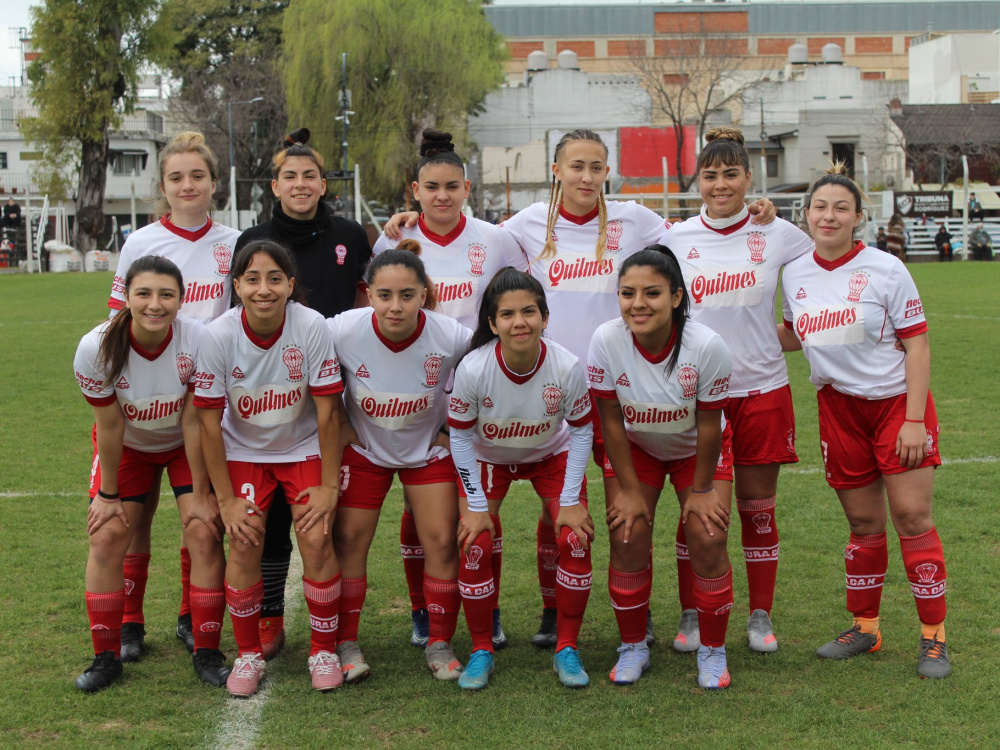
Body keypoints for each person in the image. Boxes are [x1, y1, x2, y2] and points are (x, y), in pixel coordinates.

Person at [385, 129, 775, 647]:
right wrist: (411, 218)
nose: (586, 177)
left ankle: (660, 614)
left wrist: (753, 211)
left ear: (607, 172)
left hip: (623, 390)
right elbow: (459, 232)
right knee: (557, 503)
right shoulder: (522, 226)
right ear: (557, 171)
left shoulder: (636, 220)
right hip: (546, 388)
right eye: (576, 166)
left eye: (596, 167)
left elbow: (693, 233)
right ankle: (546, 613)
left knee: (625, 508)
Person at [778, 164, 950, 679]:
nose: (829, 216)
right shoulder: (795, 273)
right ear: (806, 214)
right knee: (863, 525)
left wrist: (914, 420)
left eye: (841, 208)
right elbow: (794, 335)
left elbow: (917, 344)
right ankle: (866, 628)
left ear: (858, 217)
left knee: (912, 518)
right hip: (839, 408)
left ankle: (934, 637)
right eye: (820, 207)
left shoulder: (886, 268)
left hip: (896, 404)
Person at [372, 129, 527, 652]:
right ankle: (421, 610)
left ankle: (490, 608)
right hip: (413, 391)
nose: (442, 196)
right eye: (432, 187)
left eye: (452, 187)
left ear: (467, 189)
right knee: (419, 508)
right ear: (415, 190)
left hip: (479, 388)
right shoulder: (394, 240)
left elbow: (516, 299)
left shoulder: (496, 239)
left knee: (480, 508)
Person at [662, 127, 813, 656]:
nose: (721, 184)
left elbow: (825, 265)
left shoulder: (779, 233)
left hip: (763, 389)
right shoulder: (675, 238)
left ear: (750, 178)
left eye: (731, 174)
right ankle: (692, 613)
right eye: (710, 175)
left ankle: (759, 615)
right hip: (696, 395)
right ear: (698, 181)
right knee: (697, 509)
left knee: (757, 507)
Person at [234, 129, 371, 661]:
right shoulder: (254, 238)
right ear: (274, 185)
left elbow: (369, 297)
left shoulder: (349, 235)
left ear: (323, 183)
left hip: (334, 398)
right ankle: (270, 615)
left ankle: (332, 626)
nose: (300, 184)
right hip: (273, 394)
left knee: (322, 518)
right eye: (289, 176)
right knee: (267, 522)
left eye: (309, 175)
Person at [106, 131, 240, 662]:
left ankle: (190, 616)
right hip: (147, 404)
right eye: (176, 177)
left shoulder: (234, 242)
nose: (188, 185)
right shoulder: (140, 243)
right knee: (134, 521)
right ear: (162, 186)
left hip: (207, 405)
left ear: (214, 183)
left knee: (201, 519)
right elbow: (118, 322)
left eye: (197, 175)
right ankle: (130, 624)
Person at [195, 240, 346, 696]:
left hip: (302, 448)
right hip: (244, 451)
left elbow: (328, 412)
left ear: (291, 284)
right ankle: (248, 654)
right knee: (243, 543)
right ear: (237, 285)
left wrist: (328, 487)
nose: (264, 289)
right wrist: (225, 499)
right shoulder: (217, 335)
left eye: (275, 279)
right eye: (253, 279)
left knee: (317, 538)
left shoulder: (310, 325)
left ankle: (323, 650)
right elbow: (207, 422)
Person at [73, 255, 228, 692]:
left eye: (166, 295)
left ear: (182, 299)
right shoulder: (96, 347)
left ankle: (206, 648)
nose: (155, 304)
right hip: (129, 445)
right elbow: (110, 425)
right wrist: (108, 496)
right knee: (109, 533)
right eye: (143, 293)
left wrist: (202, 493)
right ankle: (109, 652)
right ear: (126, 296)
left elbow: (194, 420)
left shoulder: (199, 340)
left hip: (183, 443)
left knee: (203, 529)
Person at [589, 245, 734, 689]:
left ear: (675, 297)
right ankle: (633, 646)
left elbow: (709, 426)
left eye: (651, 293)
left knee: (708, 535)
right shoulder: (606, 340)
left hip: (697, 451)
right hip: (637, 450)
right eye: (627, 293)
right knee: (627, 533)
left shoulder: (706, 345)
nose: (638, 304)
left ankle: (713, 650)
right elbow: (611, 422)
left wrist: (702, 490)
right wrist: (630, 491)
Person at [328, 244, 471, 684]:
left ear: (424, 295)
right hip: (365, 449)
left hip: (426, 450)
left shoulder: (452, 336)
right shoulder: (341, 329)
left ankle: (440, 643)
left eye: (407, 295)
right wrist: (342, 425)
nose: (396, 306)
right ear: (368, 294)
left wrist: (448, 428)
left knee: (442, 540)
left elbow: (483, 371)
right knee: (349, 540)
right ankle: (346, 642)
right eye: (385, 295)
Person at [448, 268, 594, 689]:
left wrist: (570, 500)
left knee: (574, 537)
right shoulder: (474, 369)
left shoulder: (566, 365)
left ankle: (567, 647)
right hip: (489, 457)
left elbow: (582, 430)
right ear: (492, 324)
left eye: (529, 312)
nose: (519, 322)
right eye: (507, 314)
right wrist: (477, 507)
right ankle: (481, 649)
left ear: (545, 317)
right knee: (475, 542)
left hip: (550, 454)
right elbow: (459, 438)